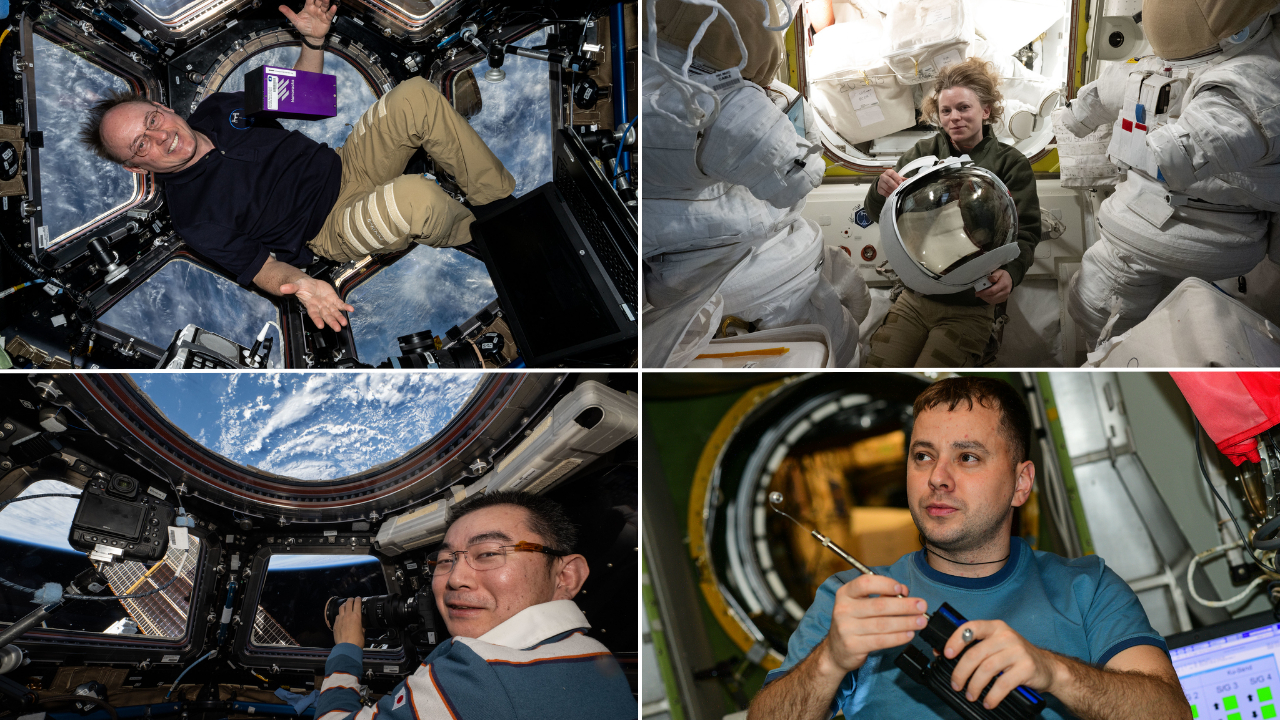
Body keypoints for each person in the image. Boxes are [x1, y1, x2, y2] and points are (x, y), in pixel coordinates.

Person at [747, 376, 1190, 720]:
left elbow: (1171, 712)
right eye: (922, 456)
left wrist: (1052, 672)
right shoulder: (855, 600)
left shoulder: (1088, 588)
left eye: (967, 457)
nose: (937, 476)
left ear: (1021, 483)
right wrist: (830, 660)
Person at [77, 0, 515, 333]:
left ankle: (504, 209)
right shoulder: (193, 215)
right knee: (417, 199)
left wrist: (313, 41)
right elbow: (264, 269)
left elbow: (304, 97)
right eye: (141, 145)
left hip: (347, 166)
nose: (160, 137)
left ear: (159, 106)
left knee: (415, 95)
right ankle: (495, 241)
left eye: (152, 120)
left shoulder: (216, 108)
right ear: (137, 166)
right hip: (330, 228)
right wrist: (305, 287)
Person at [643, 0, 871, 368]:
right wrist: (768, 103)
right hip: (745, 274)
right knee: (836, 336)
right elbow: (799, 176)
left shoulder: (658, 83)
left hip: (750, 249)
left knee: (847, 292)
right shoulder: (708, 105)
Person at [1056, 0, 1280, 345]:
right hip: (1202, 240)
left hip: (1175, 235)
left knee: (1101, 309)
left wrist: (1172, 150)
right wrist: (1078, 114)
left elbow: (1198, 142)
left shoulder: (1253, 79)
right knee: (1181, 330)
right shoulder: (1151, 69)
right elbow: (1098, 99)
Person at [316, 491, 635, 719]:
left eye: (488, 553)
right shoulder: (594, 653)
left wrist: (346, 649)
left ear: (565, 575)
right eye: (445, 560)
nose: (455, 577)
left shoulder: (474, 674)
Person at [862, 58, 1041, 368]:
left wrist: (1011, 275)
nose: (954, 117)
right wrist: (879, 189)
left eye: (963, 108)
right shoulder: (921, 155)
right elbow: (884, 214)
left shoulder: (1010, 164)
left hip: (971, 304)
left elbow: (1025, 233)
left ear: (985, 111)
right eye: (946, 111)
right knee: (879, 369)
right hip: (917, 297)